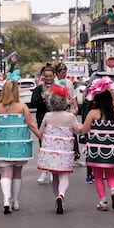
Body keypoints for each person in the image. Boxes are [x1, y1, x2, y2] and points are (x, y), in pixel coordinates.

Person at [0, 74, 42, 214]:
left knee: (5, 173)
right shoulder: (22, 107)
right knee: (17, 174)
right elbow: (31, 125)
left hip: (2, 145)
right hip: (20, 145)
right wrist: (42, 137)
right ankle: (15, 202)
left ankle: (6, 200)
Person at [37, 84, 81, 214]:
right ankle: (61, 195)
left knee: (55, 176)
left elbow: (41, 132)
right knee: (64, 175)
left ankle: (57, 198)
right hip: (66, 151)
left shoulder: (48, 116)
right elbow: (78, 130)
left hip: (51, 151)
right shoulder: (70, 117)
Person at [82, 77, 114, 211]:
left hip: (96, 150)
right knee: (111, 175)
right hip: (112, 149)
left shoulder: (93, 113)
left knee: (98, 176)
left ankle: (103, 201)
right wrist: (110, 91)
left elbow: (84, 130)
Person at [30, 64, 56, 184]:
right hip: (43, 120)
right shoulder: (38, 89)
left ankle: (53, 170)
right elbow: (33, 103)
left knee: (54, 147)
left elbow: (66, 103)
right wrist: (42, 97)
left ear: (54, 76)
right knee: (44, 147)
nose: (48, 78)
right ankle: (44, 170)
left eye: (50, 76)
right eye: (46, 76)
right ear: (43, 77)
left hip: (57, 121)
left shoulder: (59, 88)